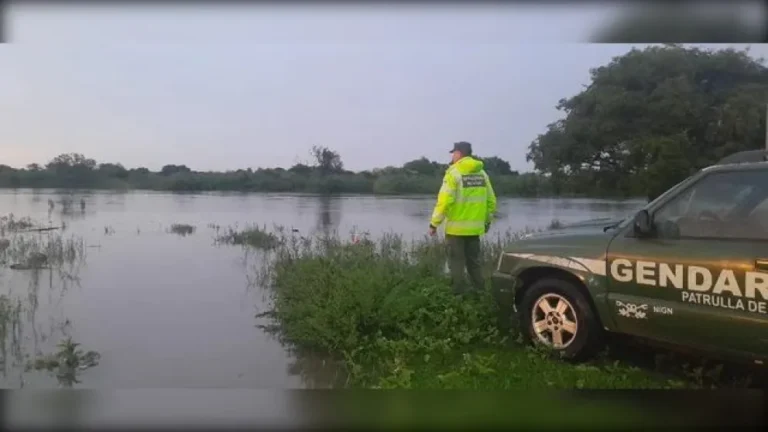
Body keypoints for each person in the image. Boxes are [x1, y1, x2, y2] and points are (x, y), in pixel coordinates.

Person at [428, 141, 497, 295]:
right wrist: (486, 222)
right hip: (475, 230)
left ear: (459, 153)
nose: (452, 156)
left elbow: (444, 202)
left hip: (456, 230)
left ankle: (458, 297)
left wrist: (434, 224)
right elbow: (491, 201)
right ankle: (481, 294)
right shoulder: (482, 174)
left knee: (456, 264)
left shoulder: (453, 173)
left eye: (453, 153)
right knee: (474, 264)